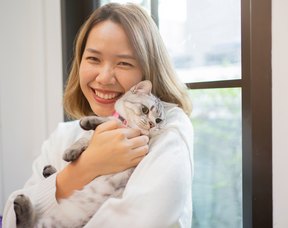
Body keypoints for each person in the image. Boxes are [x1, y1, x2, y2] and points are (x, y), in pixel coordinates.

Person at [2, 3, 193, 228]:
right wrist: (84, 167)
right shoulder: (64, 136)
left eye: (124, 63)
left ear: (147, 73)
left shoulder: (167, 130)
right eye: (93, 59)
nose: (103, 78)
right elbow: (11, 218)